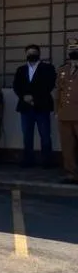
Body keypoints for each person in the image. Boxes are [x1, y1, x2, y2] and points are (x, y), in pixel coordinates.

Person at [12, 44, 56, 167]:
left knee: (45, 135)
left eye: (34, 52)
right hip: (25, 107)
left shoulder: (48, 68)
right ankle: (28, 160)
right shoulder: (21, 69)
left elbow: (49, 85)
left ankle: (47, 161)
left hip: (42, 106)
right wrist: (24, 96)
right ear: (26, 54)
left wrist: (34, 98)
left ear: (39, 54)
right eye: (29, 53)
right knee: (27, 135)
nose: (32, 55)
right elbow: (16, 85)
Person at [56, 38, 78, 184]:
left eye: (75, 49)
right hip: (65, 113)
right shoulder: (63, 70)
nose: (73, 52)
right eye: (71, 49)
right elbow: (59, 91)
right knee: (67, 145)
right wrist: (57, 110)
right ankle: (71, 173)